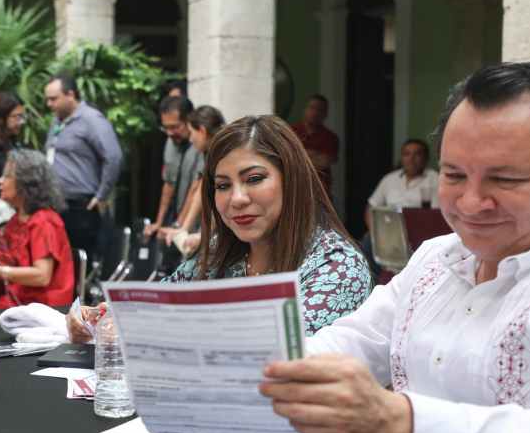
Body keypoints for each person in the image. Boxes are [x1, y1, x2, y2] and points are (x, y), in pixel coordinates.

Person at [261, 62, 530, 433]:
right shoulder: (440, 255)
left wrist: (404, 423)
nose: (471, 203)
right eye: (454, 175)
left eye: (505, 179)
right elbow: (353, 340)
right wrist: (253, 369)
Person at [68, 115, 371, 342]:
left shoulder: (337, 265)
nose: (237, 199)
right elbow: (154, 306)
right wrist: (99, 319)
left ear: (292, 180)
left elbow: (277, 352)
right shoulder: (217, 254)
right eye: (223, 185)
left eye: (254, 179)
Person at [43, 74, 122, 265]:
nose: (49, 104)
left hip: (80, 205)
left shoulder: (91, 119)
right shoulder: (57, 121)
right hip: (55, 204)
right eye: (47, 99)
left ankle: (80, 295)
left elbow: (113, 157)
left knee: (78, 263)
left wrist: (101, 195)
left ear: (70, 95)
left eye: (54, 99)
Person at [0, 148, 75, 308]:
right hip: (19, 299)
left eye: (7, 176)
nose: (0, 181)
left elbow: (42, 276)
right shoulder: (16, 219)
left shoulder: (44, 221)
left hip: (42, 307)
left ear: (25, 183)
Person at [158, 105, 227, 258]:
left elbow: (224, 202)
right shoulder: (209, 153)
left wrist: (205, 235)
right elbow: (200, 189)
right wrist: (184, 228)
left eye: (192, 133)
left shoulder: (226, 152)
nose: (190, 139)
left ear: (202, 130)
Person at [144, 96, 202, 245]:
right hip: (176, 221)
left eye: (175, 127)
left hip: (196, 224)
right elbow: (168, 183)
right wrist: (159, 222)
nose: (169, 133)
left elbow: (195, 188)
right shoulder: (170, 142)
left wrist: (180, 226)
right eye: (166, 127)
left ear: (189, 121)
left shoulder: (201, 143)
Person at [364, 138, 439, 231]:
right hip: (388, 229)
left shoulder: (435, 179)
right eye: (406, 154)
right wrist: (375, 232)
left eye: (417, 154)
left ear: (426, 158)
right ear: (402, 158)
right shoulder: (389, 179)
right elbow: (371, 207)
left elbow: (437, 215)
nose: (411, 159)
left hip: (420, 230)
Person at [290, 94, 339, 193]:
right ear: (305, 110)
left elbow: (324, 162)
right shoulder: (290, 132)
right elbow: (287, 159)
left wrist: (299, 154)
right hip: (294, 190)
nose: (315, 112)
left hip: (320, 192)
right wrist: (314, 155)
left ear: (326, 114)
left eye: (320, 109)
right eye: (312, 108)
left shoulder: (331, 137)